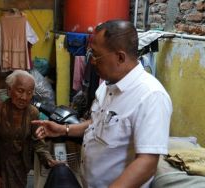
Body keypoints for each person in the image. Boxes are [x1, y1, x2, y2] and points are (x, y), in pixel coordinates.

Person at [33, 20, 173, 188]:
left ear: (120, 57)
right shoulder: (107, 86)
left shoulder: (150, 96)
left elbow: (147, 163)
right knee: (60, 174)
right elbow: (97, 123)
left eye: (96, 55)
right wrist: (64, 130)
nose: (91, 61)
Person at [0, 70, 58, 188]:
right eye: (20, 91)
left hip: (21, 166)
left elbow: (37, 140)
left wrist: (48, 159)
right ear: (9, 90)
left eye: (29, 93)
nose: (24, 97)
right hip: (1, 166)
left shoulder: (33, 113)